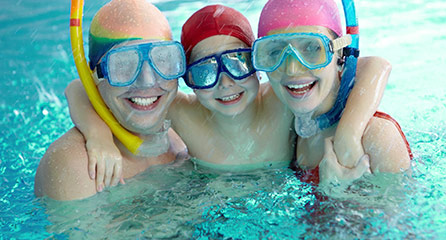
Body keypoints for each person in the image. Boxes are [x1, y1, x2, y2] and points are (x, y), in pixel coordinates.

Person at [69, 3, 392, 187]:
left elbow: (372, 65)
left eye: (238, 63)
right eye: (205, 72)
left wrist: (349, 131)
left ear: (258, 66)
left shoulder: (280, 101)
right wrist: (97, 136)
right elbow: (80, 86)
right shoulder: (183, 112)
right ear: (187, 81)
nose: (225, 83)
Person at [34, 0, 188, 200]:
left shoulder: (187, 130)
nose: (147, 81)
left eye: (163, 59)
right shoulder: (76, 167)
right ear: (95, 78)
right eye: (123, 65)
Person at [254, 0, 413, 186]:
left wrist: (337, 195)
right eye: (274, 52)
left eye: (313, 48)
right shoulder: (289, 125)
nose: (292, 69)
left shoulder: (376, 138)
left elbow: (405, 212)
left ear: (339, 53)